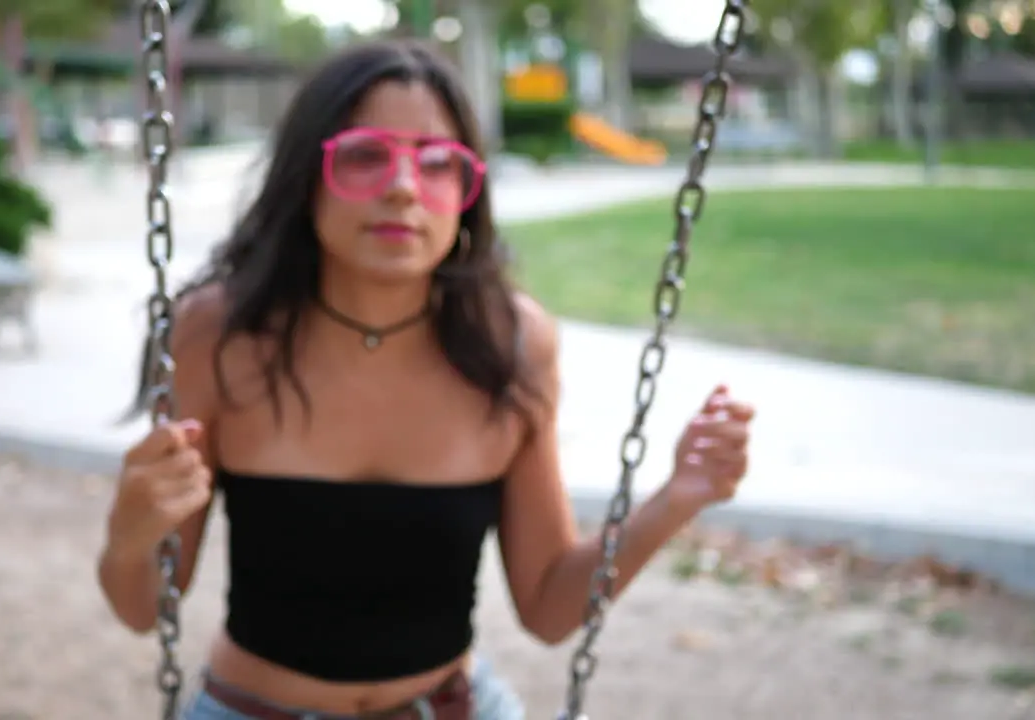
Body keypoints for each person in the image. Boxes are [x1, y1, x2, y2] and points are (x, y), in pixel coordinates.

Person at [98, 39, 755, 720]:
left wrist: (676, 499)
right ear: (307, 176)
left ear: (467, 195)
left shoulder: (511, 344)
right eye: (365, 156)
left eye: (438, 163)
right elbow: (144, 609)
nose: (404, 188)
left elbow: (551, 607)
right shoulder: (220, 338)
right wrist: (129, 531)